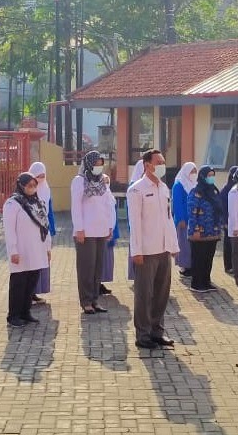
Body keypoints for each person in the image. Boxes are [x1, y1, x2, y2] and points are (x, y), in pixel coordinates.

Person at [127, 149, 180, 350]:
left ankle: (157, 331)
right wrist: (136, 251)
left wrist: (173, 244)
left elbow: (168, 218)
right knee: (144, 294)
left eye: (163, 162)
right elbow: (135, 223)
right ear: (147, 164)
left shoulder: (164, 188)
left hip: (163, 248)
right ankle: (143, 334)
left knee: (161, 293)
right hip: (146, 250)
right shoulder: (137, 189)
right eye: (158, 162)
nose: (162, 165)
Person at [2, 173, 52, 327]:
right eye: (29, 185)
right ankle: (14, 315)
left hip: (37, 250)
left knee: (31, 283)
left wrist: (47, 248)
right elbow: (9, 230)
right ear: (21, 185)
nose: (32, 188)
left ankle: (26, 312)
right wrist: (13, 251)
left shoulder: (38, 203)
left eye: (34, 185)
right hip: (21, 251)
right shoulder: (12, 204)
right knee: (19, 284)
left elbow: (45, 226)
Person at [71, 150, 116, 315]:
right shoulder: (79, 181)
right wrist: (79, 228)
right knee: (86, 267)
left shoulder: (103, 181)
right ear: (89, 164)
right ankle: (86, 301)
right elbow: (76, 206)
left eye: (100, 164)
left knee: (98, 267)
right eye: (96, 164)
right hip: (86, 231)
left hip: (101, 230)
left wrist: (110, 225)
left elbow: (108, 203)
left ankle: (95, 299)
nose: (98, 167)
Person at [186, 165, 223, 293]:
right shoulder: (196, 192)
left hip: (212, 231)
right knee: (199, 259)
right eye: (209, 175)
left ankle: (206, 282)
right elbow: (192, 213)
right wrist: (195, 230)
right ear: (202, 177)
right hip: (199, 232)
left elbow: (219, 210)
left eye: (213, 175)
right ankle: (197, 284)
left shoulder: (214, 192)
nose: (211, 178)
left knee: (208, 258)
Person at [28, 161, 56, 304]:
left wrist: (52, 229)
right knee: (31, 263)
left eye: (43, 176)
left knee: (42, 261)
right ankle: (28, 294)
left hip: (44, 233)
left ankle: (35, 292)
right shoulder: (27, 191)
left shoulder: (46, 189)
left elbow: (49, 212)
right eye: (38, 177)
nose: (40, 180)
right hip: (30, 233)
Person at [172, 162, 197, 278]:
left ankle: (192, 265)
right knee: (184, 244)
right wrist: (181, 218)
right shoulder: (179, 185)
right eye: (192, 171)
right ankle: (185, 267)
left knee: (192, 245)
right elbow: (177, 204)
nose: (194, 174)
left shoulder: (195, 184)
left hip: (194, 220)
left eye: (195, 171)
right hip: (184, 220)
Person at [125, 157, 146, 284]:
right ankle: (136, 276)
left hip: (150, 228)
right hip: (137, 227)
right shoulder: (133, 187)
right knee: (137, 250)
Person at [218, 166, 238, 274]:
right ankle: (228, 266)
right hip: (228, 221)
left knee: (237, 245)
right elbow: (222, 207)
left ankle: (237, 265)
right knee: (228, 244)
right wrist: (224, 221)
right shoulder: (226, 190)